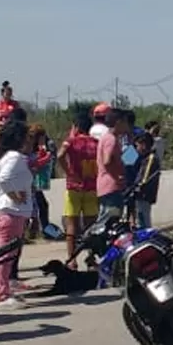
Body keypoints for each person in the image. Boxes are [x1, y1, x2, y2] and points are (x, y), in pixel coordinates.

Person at [0, 120, 34, 310]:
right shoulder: (15, 157)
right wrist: (14, 195)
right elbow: (4, 178)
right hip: (9, 211)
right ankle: (1, 295)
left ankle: (4, 289)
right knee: (5, 257)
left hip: (5, 210)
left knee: (6, 256)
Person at [60, 111, 99, 264]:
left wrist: (69, 172)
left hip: (74, 187)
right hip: (91, 187)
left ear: (76, 127)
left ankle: (72, 260)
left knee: (72, 226)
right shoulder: (96, 142)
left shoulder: (71, 141)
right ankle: (91, 259)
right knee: (90, 226)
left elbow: (60, 155)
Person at [96, 109, 129, 217]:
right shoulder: (111, 139)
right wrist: (117, 177)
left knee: (105, 220)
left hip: (104, 186)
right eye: (125, 122)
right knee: (112, 220)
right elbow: (107, 161)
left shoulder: (106, 138)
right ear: (118, 122)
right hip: (111, 186)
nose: (126, 126)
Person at [27, 124, 55, 234]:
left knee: (41, 204)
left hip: (33, 183)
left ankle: (43, 227)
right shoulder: (28, 148)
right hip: (30, 183)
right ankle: (43, 228)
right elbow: (35, 164)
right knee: (40, 205)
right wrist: (46, 157)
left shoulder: (36, 148)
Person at [131, 131, 161, 229]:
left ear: (143, 145)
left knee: (143, 219)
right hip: (139, 194)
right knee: (140, 217)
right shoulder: (142, 156)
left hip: (144, 194)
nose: (135, 148)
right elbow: (125, 162)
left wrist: (135, 187)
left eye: (137, 146)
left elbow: (144, 178)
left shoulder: (151, 158)